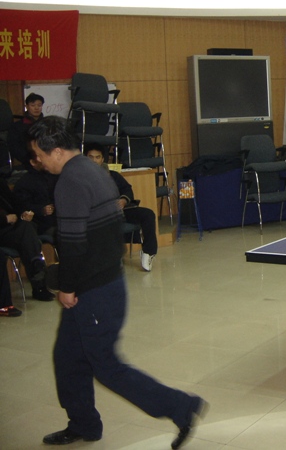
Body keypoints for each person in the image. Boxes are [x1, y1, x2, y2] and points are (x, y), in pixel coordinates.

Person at [29, 117, 206, 449]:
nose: (37, 161)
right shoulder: (94, 170)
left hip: (93, 291)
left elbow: (73, 244)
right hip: (103, 283)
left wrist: (67, 287)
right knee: (68, 358)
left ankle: (181, 406)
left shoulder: (69, 181)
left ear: (56, 151)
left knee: (107, 366)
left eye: (39, 154)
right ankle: (83, 424)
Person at [84, 143, 158, 271]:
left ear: (102, 159)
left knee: (148, 214)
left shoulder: (112, 175)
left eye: (97, 157)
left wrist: (123, 200)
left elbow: (127, 189)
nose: (94, 161)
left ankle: (148, 252)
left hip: (121, 211)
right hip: (97, 215)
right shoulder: (81, 178)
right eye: (91, 157)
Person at [0, 177, 53, 301]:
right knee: (27, 236)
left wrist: (22, 213)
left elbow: (14, 202)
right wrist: (5, 219)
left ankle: (37, 266)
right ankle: (38, 276)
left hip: (10, 228)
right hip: (3, 227)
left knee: (27, 227)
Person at [13, 153, 58, 238]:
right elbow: (20, 207)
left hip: (60, 220)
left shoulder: (55, 175)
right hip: (42, 226)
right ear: (33, 162)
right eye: (41, 158)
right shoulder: (24, 183)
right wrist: (41, 210)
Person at [9, 92, 44, 168]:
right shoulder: (17, 126)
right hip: (28, 162)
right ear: (27, 107)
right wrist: (29, 160)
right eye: (33, 105)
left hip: (47, 161)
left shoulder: (47, 124)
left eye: (39, 105)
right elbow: (15, 147)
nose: (36, 108)